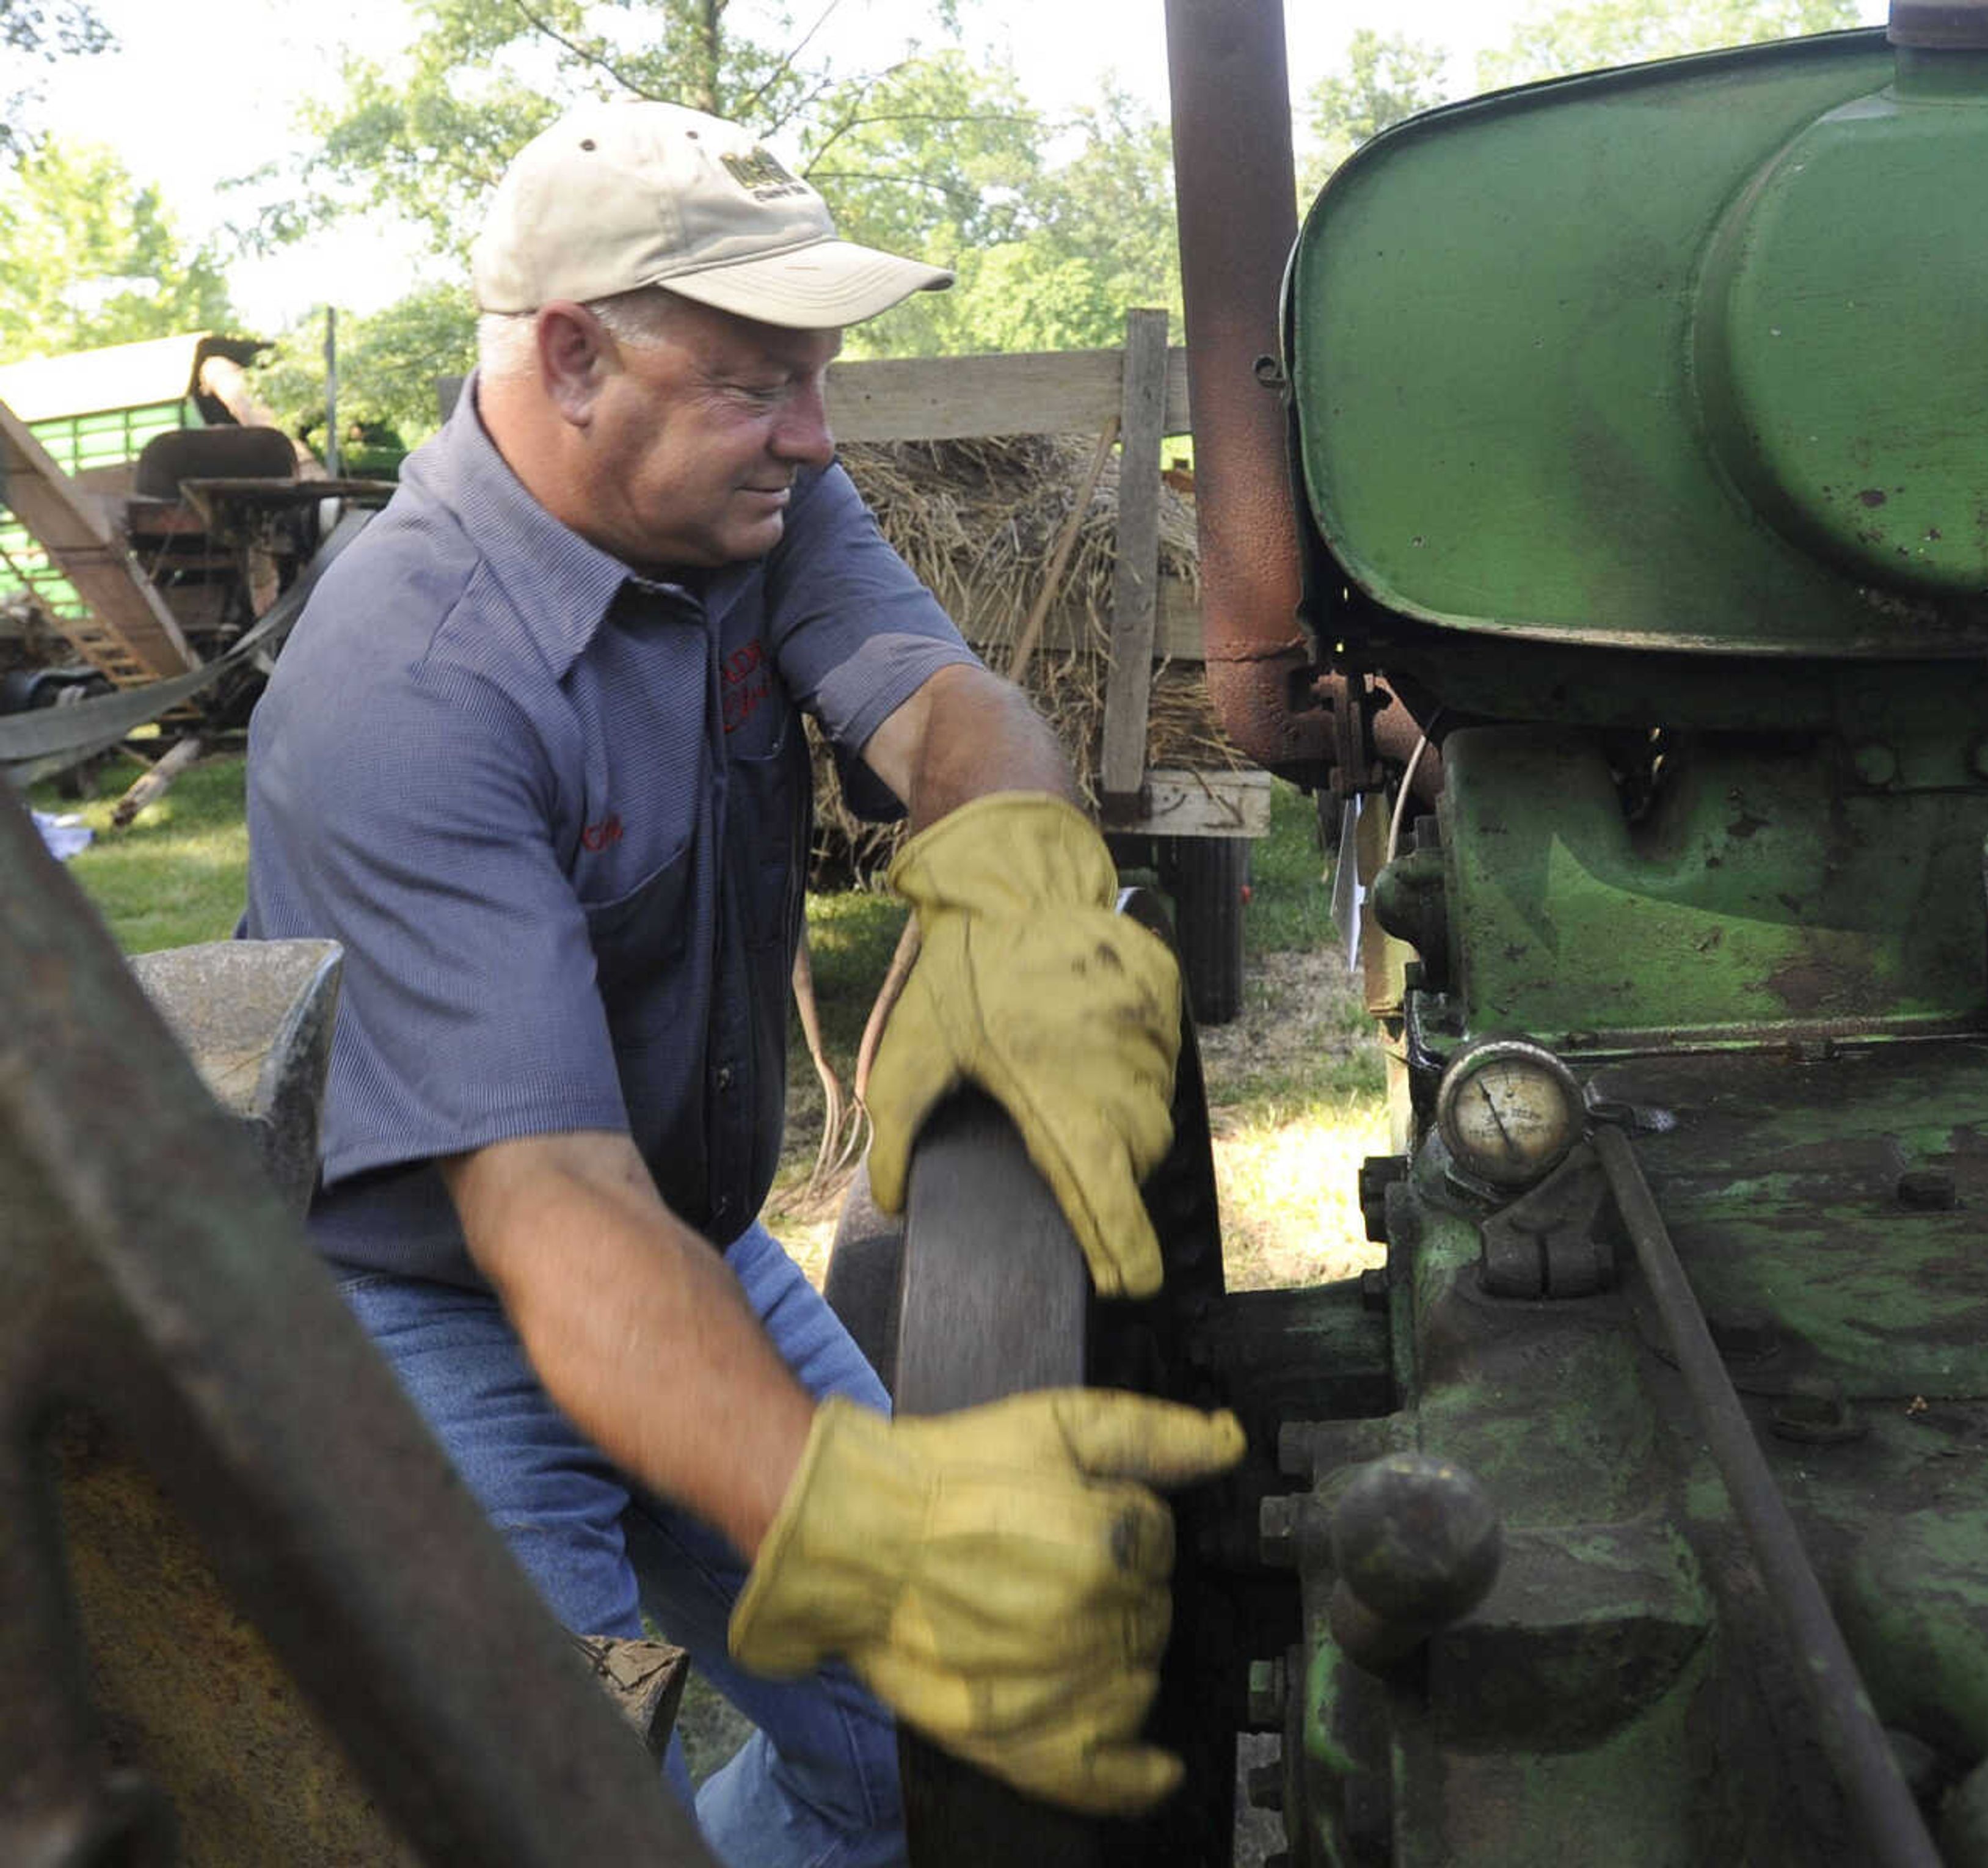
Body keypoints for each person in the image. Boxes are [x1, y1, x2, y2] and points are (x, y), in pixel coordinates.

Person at [241, 98, 1243, 1868]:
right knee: (539, 1815)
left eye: (821, 375)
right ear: (570, 356)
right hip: (418, 1310)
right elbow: (549, 1220)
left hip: (689, 1246)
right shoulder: (407, 679)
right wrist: (865, 1525)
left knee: (916, 1761)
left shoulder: (749, 506)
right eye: (760, 380)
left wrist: (1012, 873)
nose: (818, 430)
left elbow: (950, 707)